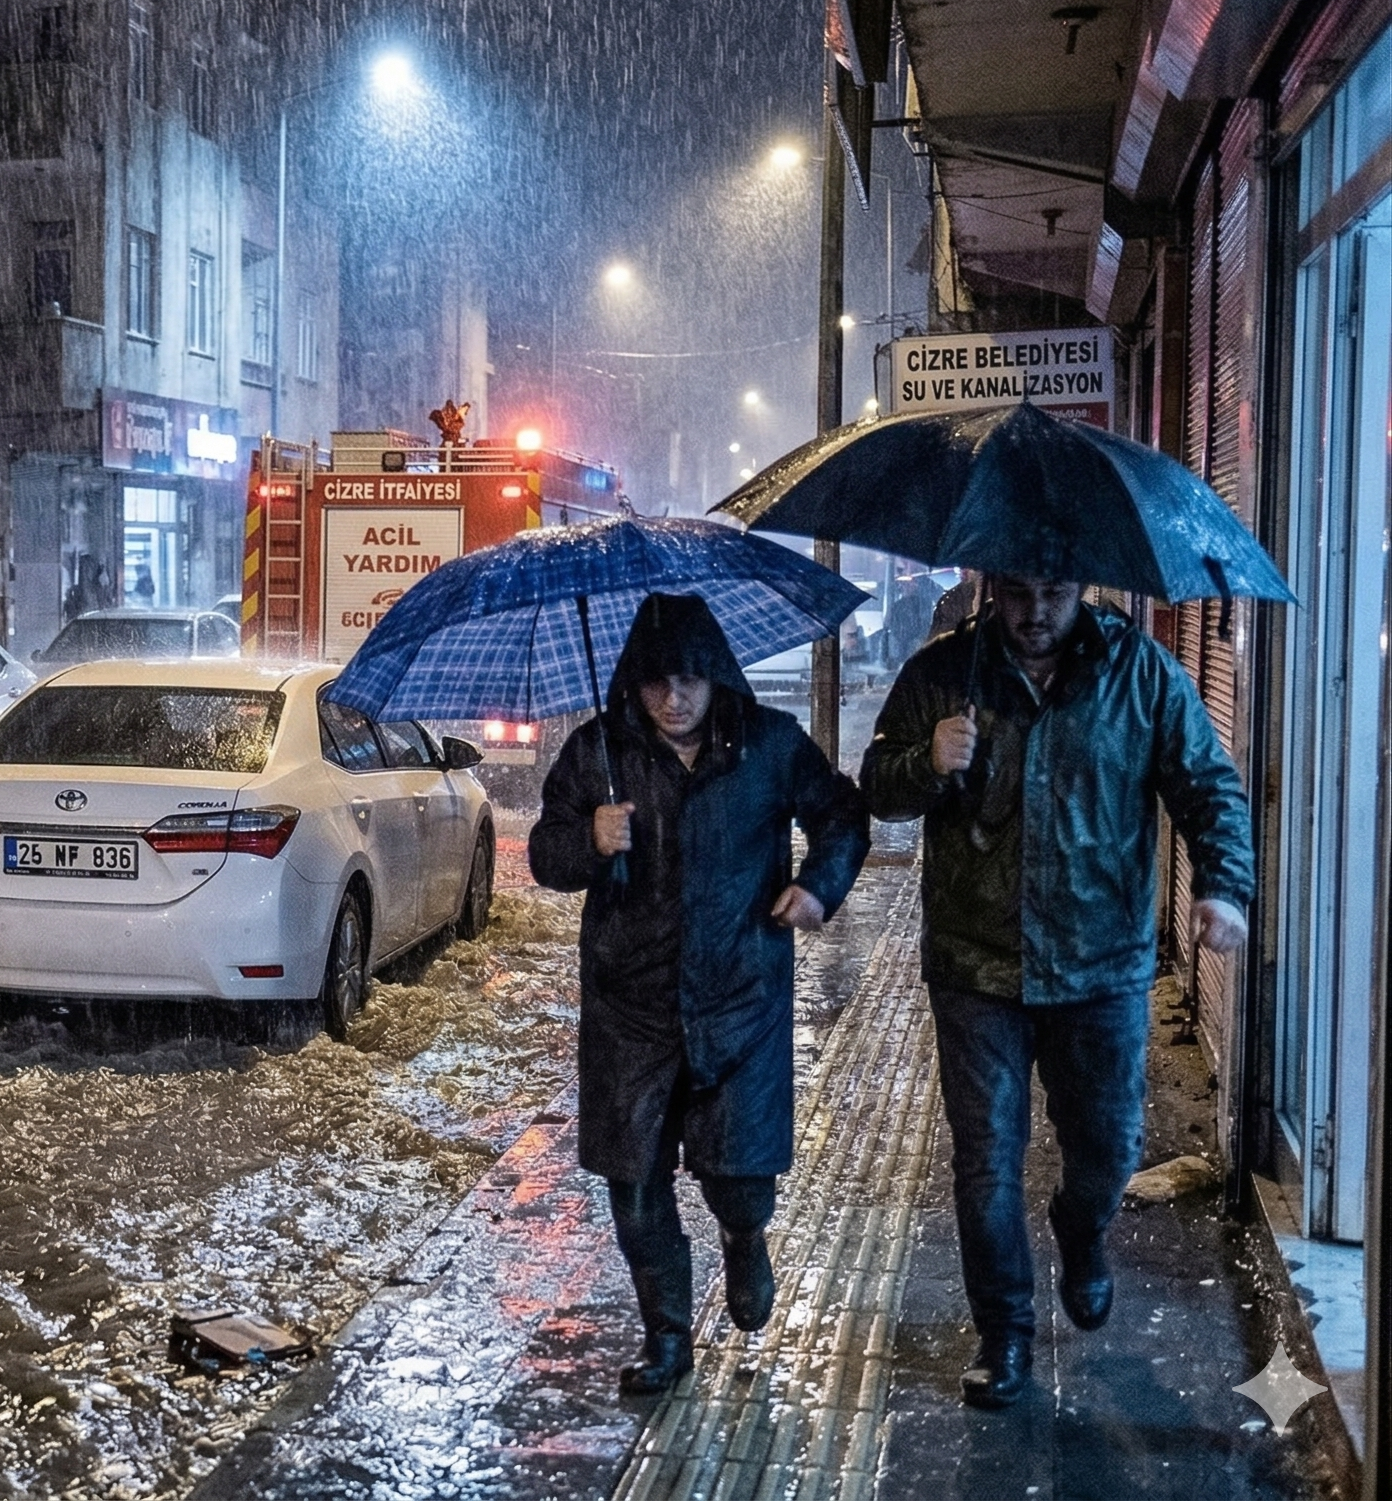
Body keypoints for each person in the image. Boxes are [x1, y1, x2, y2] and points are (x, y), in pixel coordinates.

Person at [860, 575, 1251, 1409]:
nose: (1035, 612)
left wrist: (1224, 886)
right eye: (1017, 592)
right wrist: (927, 762)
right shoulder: (944, 671)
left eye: (1054, 592)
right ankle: (1004, 1333)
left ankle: (1081, 1227)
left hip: (1100, 964)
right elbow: (877, 785)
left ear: (1079, 586)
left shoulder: (1139, 672)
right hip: (977, 965)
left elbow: (1206, 785)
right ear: (992, 587)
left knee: (1108, 1146)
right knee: (986, 1159)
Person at [533, 594, 871, 1394]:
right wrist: (588, 840)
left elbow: (842, 816)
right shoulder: (598, 753)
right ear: (633, 683)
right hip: (630, 1006)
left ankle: (745, 1239)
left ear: (717, 675)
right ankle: (667, 1336)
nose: (673, 699)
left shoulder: (768, 743)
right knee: (634, 1185)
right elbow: (546, 855)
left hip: (740, 998)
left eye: (689, 679)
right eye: (656, 682)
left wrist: (818, 887)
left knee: (739, 1177)